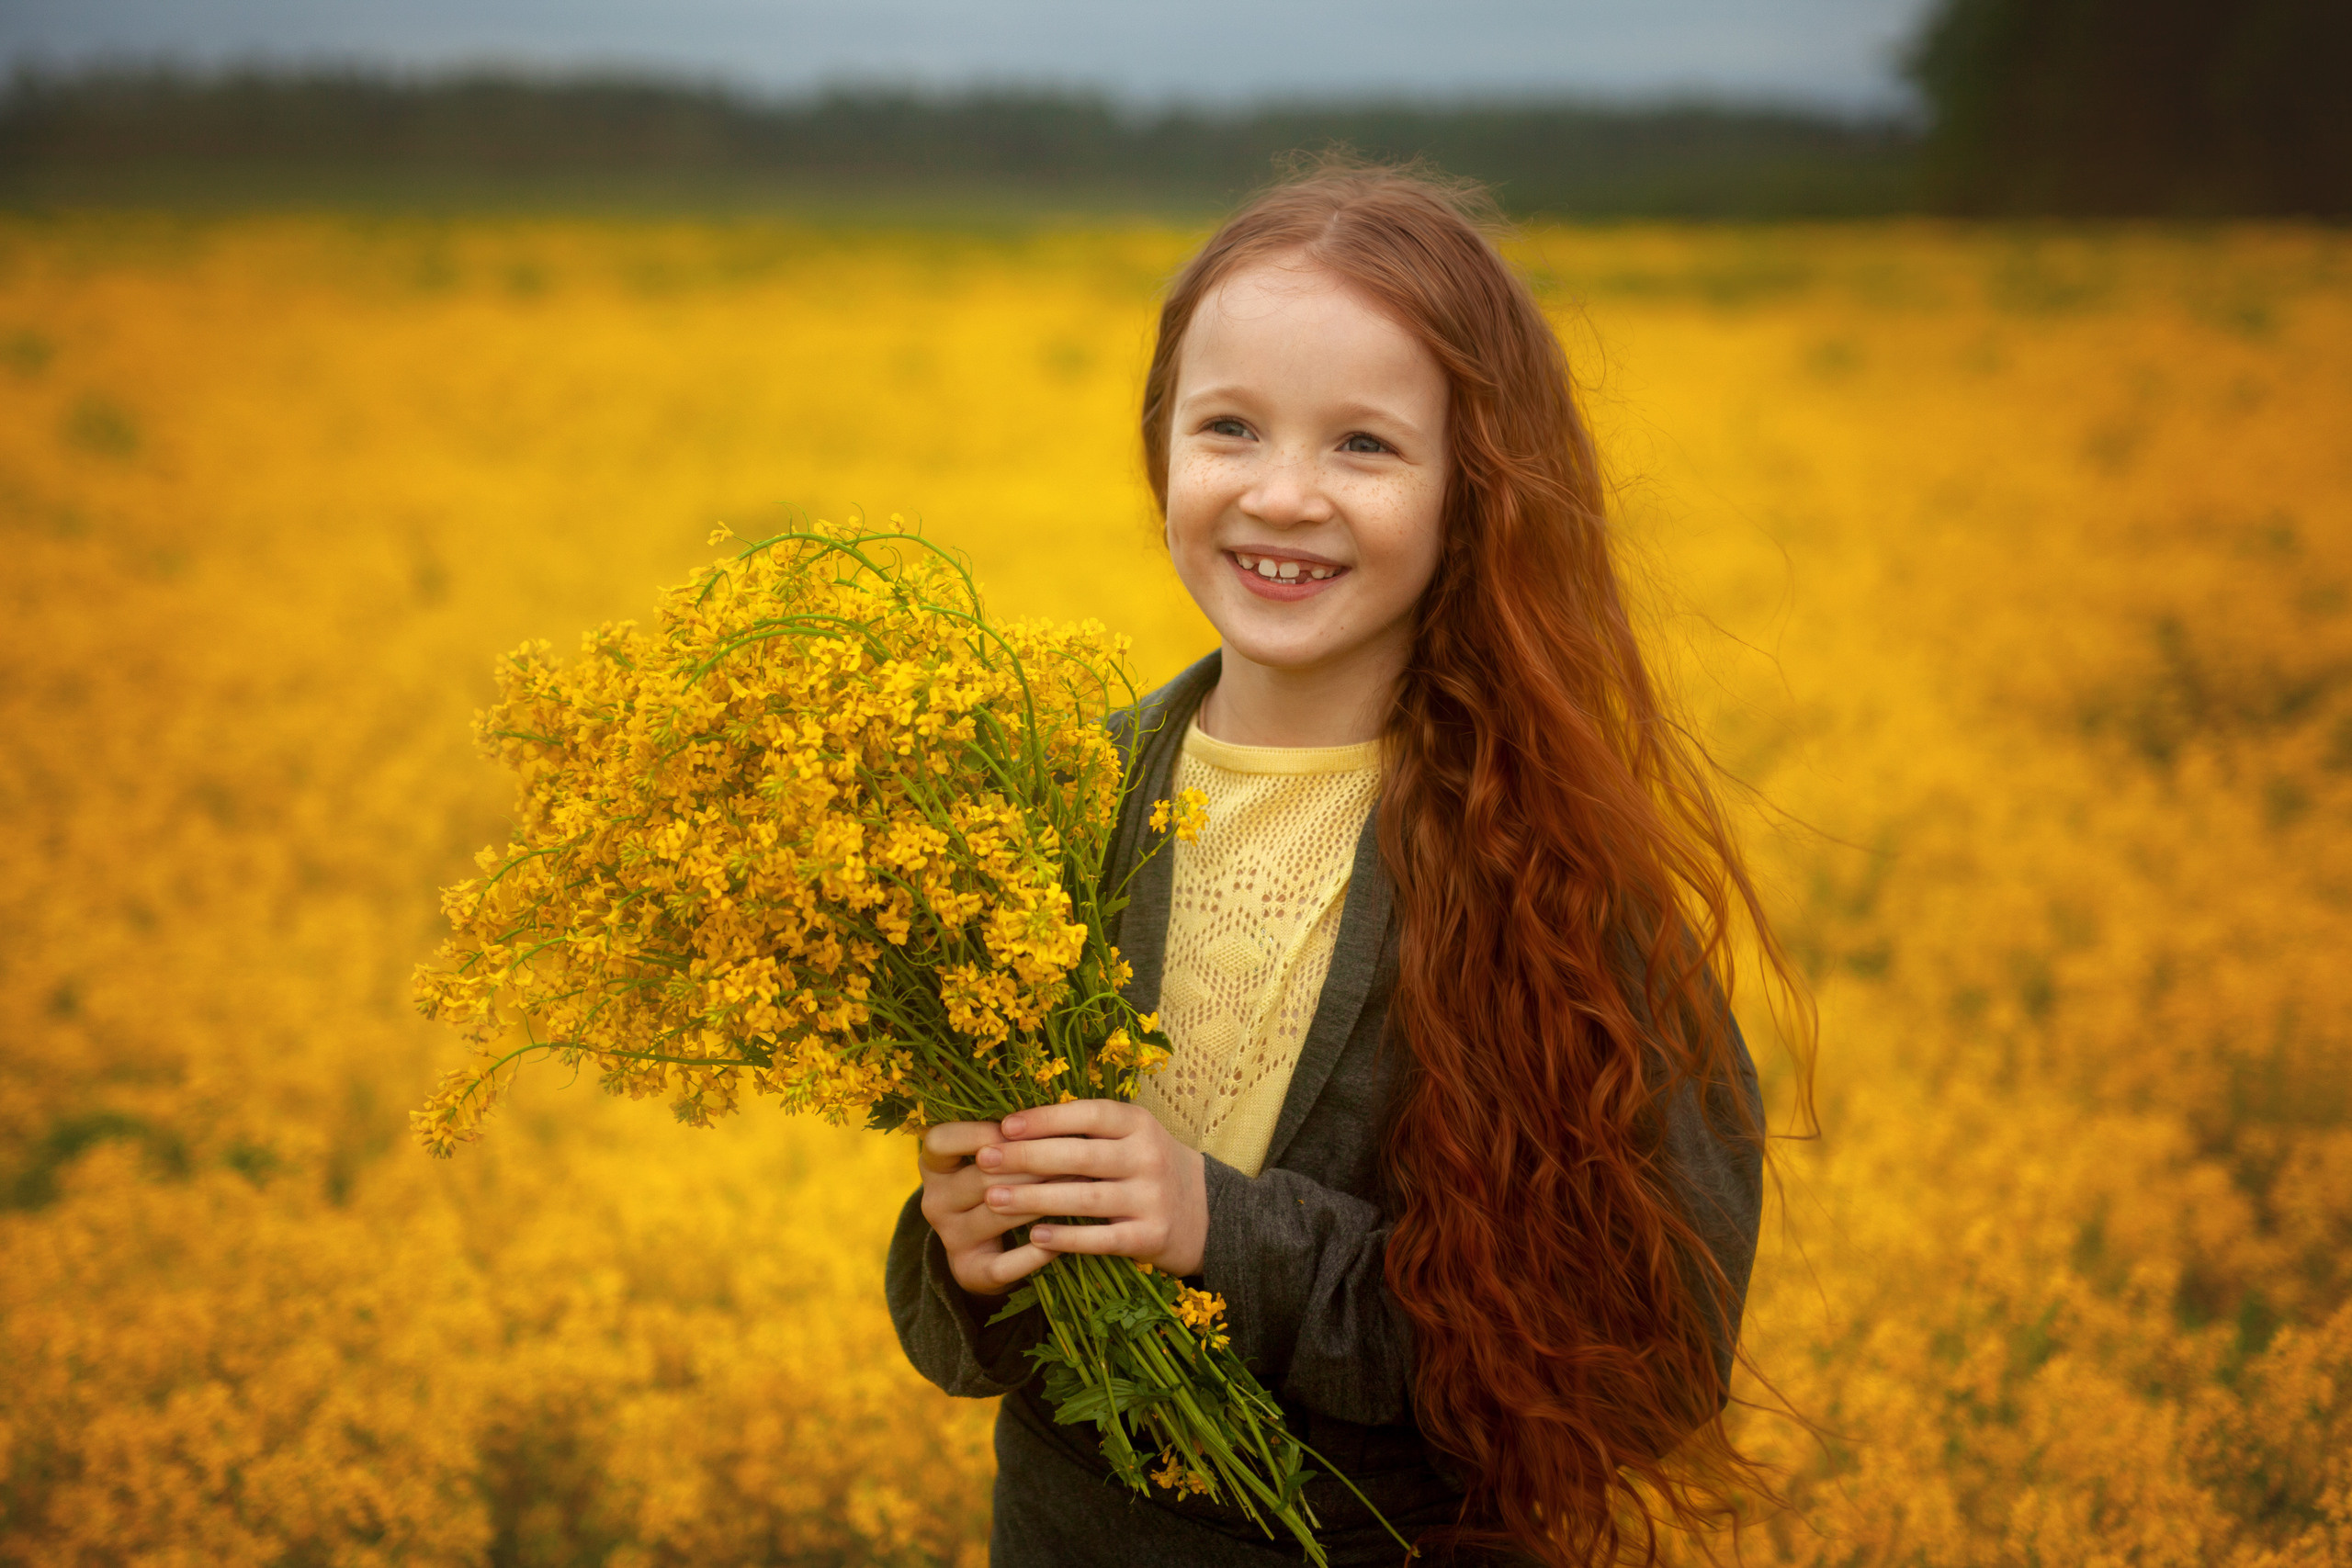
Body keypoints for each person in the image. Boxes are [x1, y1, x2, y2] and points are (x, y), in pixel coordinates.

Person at [887, 162, 1811, 1567]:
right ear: (1161, 453)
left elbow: (1652, 1363)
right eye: (1231, 428)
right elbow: (963, 1325)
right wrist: (964, 1249)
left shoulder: (1554, 868)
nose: (1283, 494)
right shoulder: (1045, 811)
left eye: (1364, 447)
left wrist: (1221, 1229)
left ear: (1476, 491)